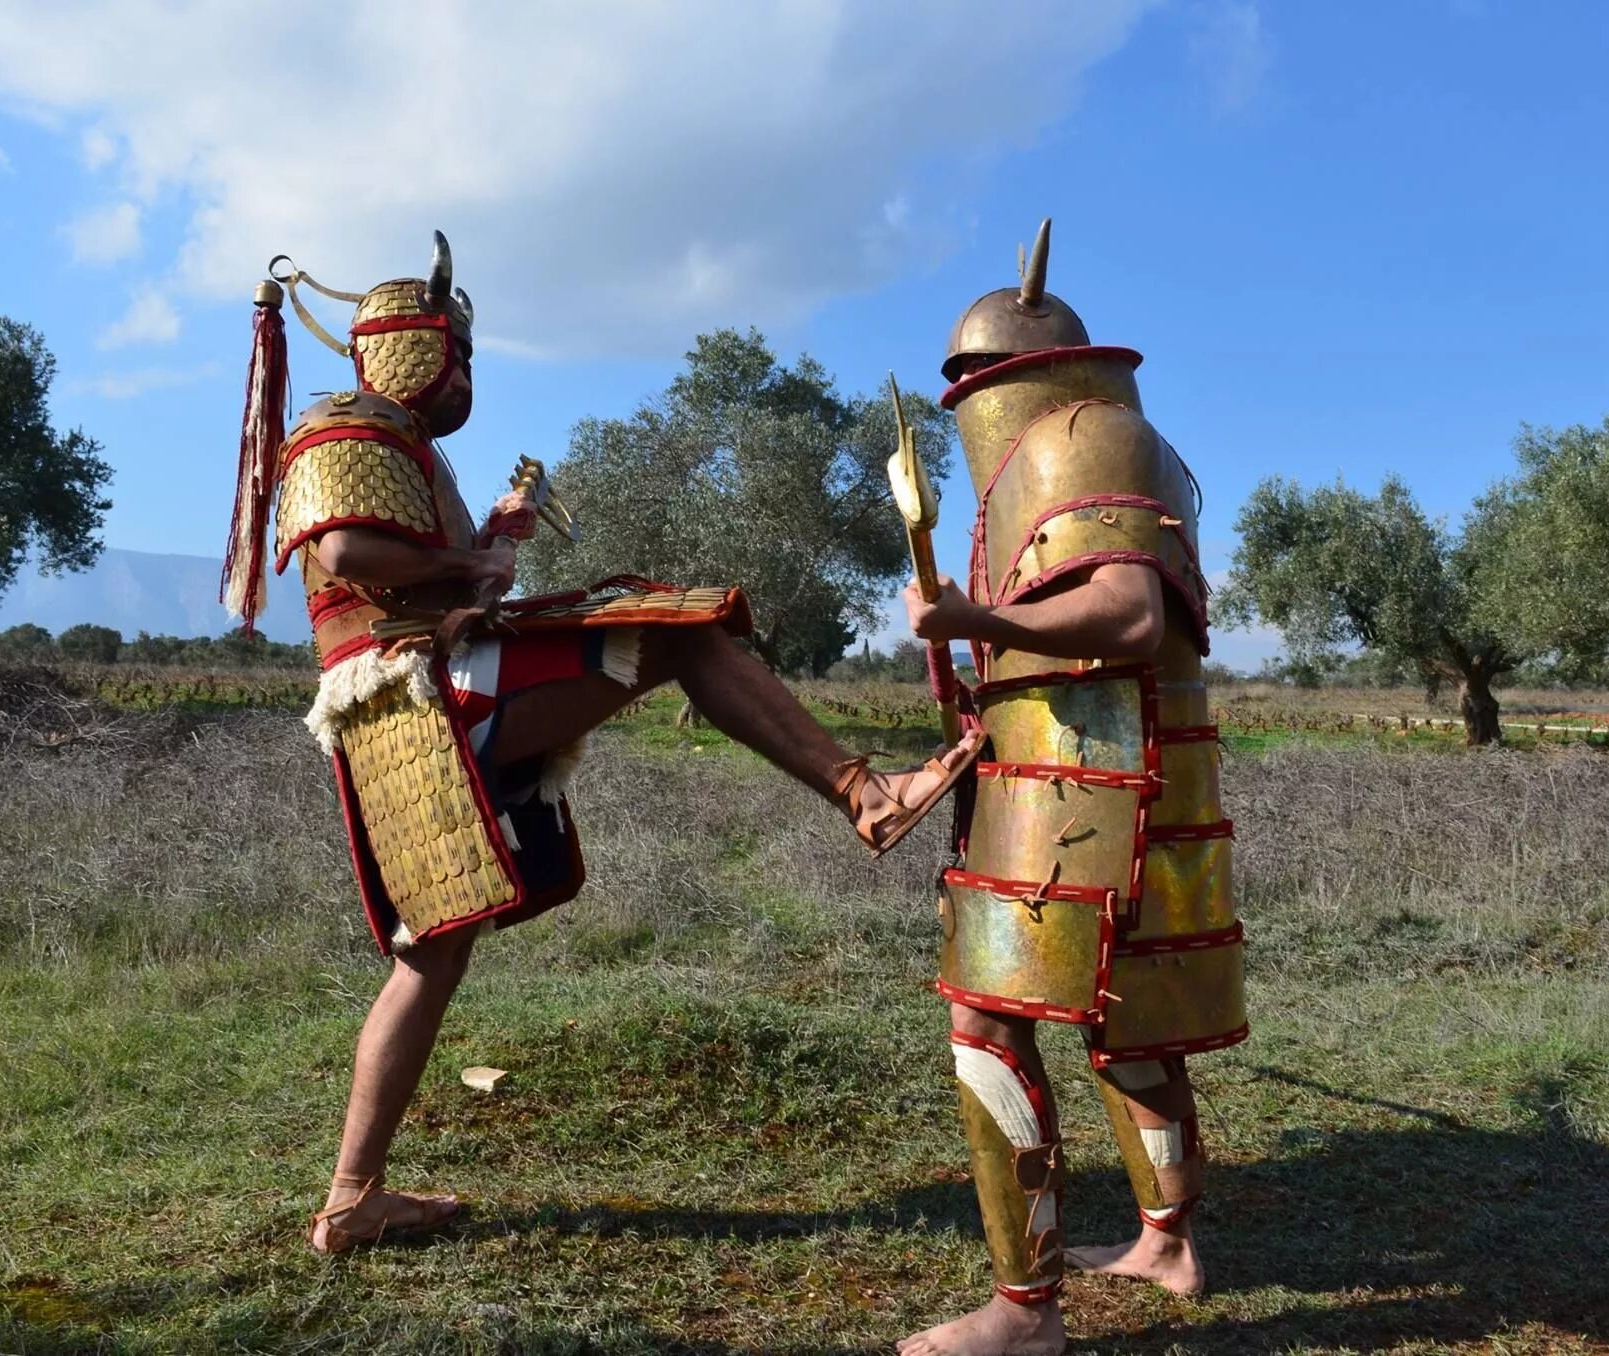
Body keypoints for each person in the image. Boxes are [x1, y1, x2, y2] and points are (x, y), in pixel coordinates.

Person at [218, 232, 982, 1255]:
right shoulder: (348, 421)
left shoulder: (401, 440)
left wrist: (488, 544)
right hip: (414, 688)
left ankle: (352, 1199)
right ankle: (862, 792)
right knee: (682, 630)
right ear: (411, 345)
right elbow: (349, 551)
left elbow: (416, 568)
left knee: (428, 958)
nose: (464, 370)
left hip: (418, 689)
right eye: (457, 348)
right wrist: (470, 562)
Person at [894, 221, 1248, 1356]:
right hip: (1092, 771)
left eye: (970, 377)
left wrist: (969, 619)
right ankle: (1167, 1242)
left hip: (1083, 782)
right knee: (1123, 1019)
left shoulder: (1078, 435)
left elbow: (1128, 617)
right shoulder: (1104, 441)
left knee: (986, 1015)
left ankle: (1022, 1312)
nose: (963, 397)